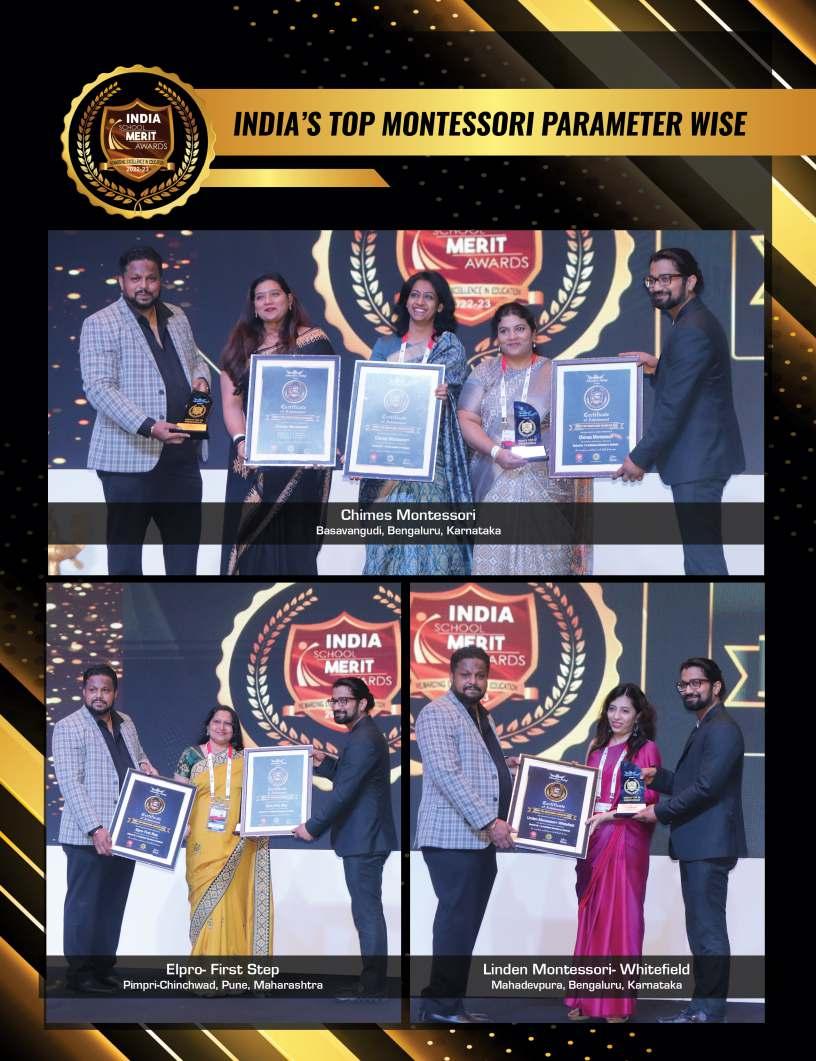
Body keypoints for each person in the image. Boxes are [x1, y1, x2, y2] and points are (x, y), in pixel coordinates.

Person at [612, 248, 746, 575]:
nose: (657, 286)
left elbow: (675, 405)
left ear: (690, 281)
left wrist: (639, 458)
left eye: (666, 279)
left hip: (698, 462)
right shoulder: (691, 321)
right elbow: (694, 384)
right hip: (700, 460)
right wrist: (658, 366)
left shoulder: (690, 329)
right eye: (651, 280)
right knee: (700, 559)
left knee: (703, 561)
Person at [79, 245, 211, 575]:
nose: (144, 286)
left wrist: (201, 381)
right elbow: (99, 387)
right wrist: (149, 426)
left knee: (184, 562)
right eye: (135, 278)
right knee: (126, 563)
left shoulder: (177, 316)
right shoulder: (100, 323)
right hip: (129, 462)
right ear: (121, 281)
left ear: (160, 280)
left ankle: (181, 610)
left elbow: (196, 361)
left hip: (182, 458)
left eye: (151, 278)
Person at [634, 658, 746, 1023]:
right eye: (683, 684)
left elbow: (707, 787)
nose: (689, 689)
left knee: (707, 932)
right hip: (699, 845)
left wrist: (660, 811)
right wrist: (658, 777)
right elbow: (693, 782)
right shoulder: (706, 726)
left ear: (716, 686)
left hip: (709, 846)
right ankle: (700, 1007)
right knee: (700, 930)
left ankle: (709, 1010)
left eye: (697, 683)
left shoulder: (722, 729)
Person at [414, 646, 515, 1023]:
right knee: (456, 923)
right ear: (452, 676)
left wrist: (509, 768)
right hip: (453, 838)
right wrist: (490, 821)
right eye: (466, 674)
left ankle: (450, 1004)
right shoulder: (437, 713)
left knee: (465, 925)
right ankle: (439, 1006)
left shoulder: (479, 715)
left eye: (480, 675)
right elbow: (446, 774)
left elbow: (478, 770)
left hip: (476, 840)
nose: (473, 681)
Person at [457, 302, 591, 575]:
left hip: (544, 486)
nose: (512, 336)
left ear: (533, 334)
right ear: (497, 338)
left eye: (519, 329)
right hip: (492, 478)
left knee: (546, 570)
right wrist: (496, 452)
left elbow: (577, 425)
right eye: (504, 331)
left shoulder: (554, 373)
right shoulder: (484, 372)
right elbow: (466, 418)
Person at [220, 273, 336, 575]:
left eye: (275, 294)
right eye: (260, 297)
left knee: (296, 544)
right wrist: (241, 441)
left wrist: (322, 443)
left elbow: (323, 399)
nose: (268, 301)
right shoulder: (240, 347)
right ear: (253, 305)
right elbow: (232, 404)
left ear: (289, 299)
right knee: (250, 545)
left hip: (300, 463)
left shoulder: (313, 341)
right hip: (252, 461)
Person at [52, 664, 158, 993]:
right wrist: (96, 828)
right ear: (84, 692)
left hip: (126, 830)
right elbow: (70, 783)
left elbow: (138, 756)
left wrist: (146, 766)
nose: (99, 695)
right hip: (87, 835)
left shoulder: (127, 723)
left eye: (106, 690)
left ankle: (102, 967)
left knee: (112, 905)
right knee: (84, 906)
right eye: (93, 689)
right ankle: (80, 973)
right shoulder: (68, 727)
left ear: (115, 693)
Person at [360, 270, 472, 575]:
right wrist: (361, 455)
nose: (420, 302)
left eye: (429, 297)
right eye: (415, 295)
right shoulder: (385, 347)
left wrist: (447, 395)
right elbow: (370, 402)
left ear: (440, 305)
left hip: (432, 460)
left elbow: (459, 398)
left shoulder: (449, 348)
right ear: (405, 301)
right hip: (390, 457)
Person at [292, 678, 397, 998]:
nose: (337, 706)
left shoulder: (364, 738)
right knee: (366, 911)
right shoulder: (362, 735)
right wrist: (325, 764)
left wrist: (312, 826)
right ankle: (373, 983)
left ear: (362, 703)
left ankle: (373, 986)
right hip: (365, 838)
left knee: (367, 913)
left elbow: (345, 793)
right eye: (334, 701)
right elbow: (352, 777)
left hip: (365, 839)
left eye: (344, 701)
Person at [565, 684, 661, 1024]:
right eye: (612, 708)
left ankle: (616, 1002)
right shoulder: (596, 747)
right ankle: (584, 997)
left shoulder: (645, 750)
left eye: (625, 710)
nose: (616, 716)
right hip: (592, 839)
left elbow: (643, 799)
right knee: (592, 914)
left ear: (638, 716)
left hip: (625, 838)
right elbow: (588, 790)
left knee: (621, 915)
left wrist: (607, 815)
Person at [174, 706, 273, 956]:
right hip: (201, 845)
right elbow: (178, 798)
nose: (221, 727)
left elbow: (259, 799)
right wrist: (180, 824)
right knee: (206, 906)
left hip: (236, 845)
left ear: (234, 730)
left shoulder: (245, 760)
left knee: (233, 904)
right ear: (207, 726)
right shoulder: (190, 757)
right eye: (216, 722)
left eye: (228, 723)